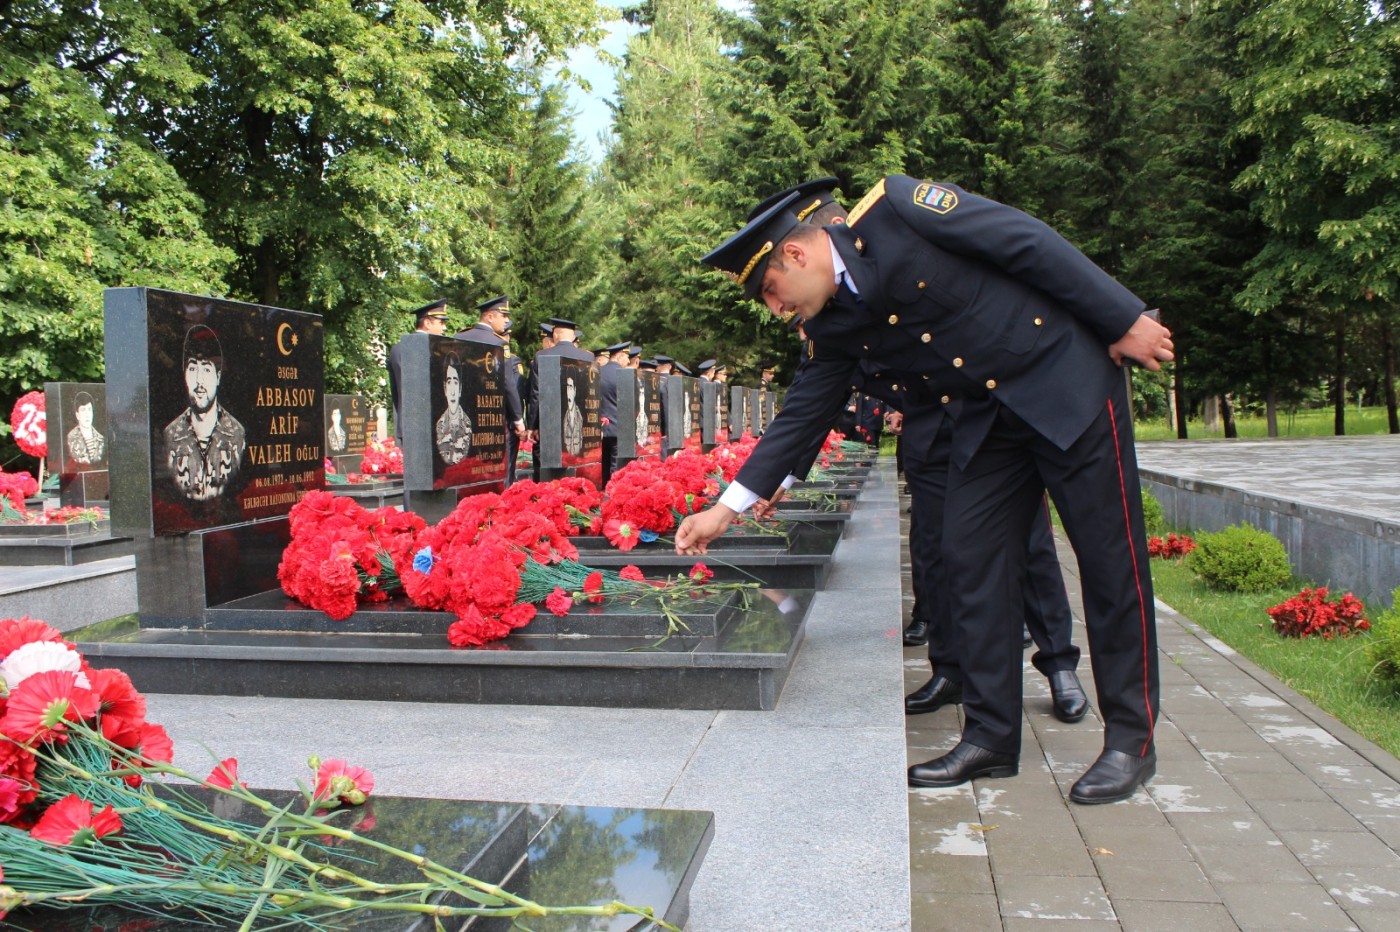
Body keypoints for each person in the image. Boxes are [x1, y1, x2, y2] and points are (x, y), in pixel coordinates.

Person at [681, 175, 1174, 804]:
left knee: (1110, 564)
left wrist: (1122, 316)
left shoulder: (900, 212)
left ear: (797, 255)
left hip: (1062, 383)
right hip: (985, 421)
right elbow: (804, 412)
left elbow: (1025, 241)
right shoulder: (831, 326)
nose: (777, 310)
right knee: (972, 565)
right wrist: (728, 507)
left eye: (772, 292)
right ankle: (992, 737)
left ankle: (1131, 742)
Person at [163, 324, 246, 501]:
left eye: (207, 370)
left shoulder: (236, 433)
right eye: (193, 369)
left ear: (218, 377)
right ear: (184, 375)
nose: (199, 381)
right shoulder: (170, 434)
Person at [456, 295, 526, 481]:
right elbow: (508, 383)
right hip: (491, 417)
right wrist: (518, 418)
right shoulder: (498, 343)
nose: (506, 321)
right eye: (503, 316)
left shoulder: (458, 337)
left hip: (464, 415)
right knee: (491, 469)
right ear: (489, 317)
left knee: (468, 466)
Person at [387, 299, 449, 443]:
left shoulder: (399, 348)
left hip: (409, 427)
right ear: (427, 323)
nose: (444, 328)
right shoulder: (433, 350)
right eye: (441, 322)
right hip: (430, 427)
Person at [434, 353, 472, 464]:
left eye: (455, 382)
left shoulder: (467, 423)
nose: (452, 391)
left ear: (460, 388)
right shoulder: (440, 425)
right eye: (449, 382)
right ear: (445, 388)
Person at [66, 391, 105, 466]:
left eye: (89, 409)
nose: (87, 414)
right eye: (83, 410)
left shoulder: (101, 439)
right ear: (77, 415)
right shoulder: (71, 437)